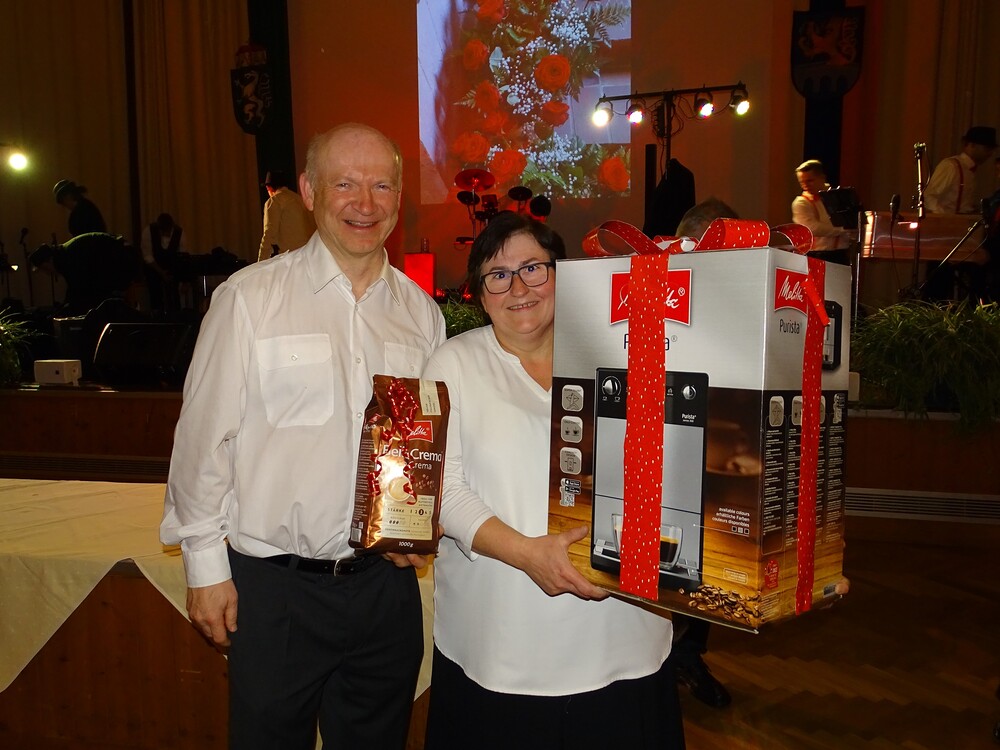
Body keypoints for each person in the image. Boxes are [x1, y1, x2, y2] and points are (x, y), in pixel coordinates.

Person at [160, 123, 446, 750]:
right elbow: (202, 441)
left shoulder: (421, 315)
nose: (365, 203)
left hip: (384, 590)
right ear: (310, 191)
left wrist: (417, 529)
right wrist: (204, 567)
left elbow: (422, 447)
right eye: (345, 184)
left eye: (381, 186)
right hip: (275, 593)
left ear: (399, 198)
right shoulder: (249, 299)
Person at [422, 211, 684, 749]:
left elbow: (679, 465)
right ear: (480, 293)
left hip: (623, 627)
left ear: (561, 274)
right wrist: (527, 554)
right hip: (503, 635)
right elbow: (441, 488)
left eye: (533, 268)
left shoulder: (625, 352)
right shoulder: (452, 364)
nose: (519, 288)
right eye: (498, 275)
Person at [667, 199, 738, 710]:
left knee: (708, 565)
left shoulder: (740, 301)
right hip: (663, 456)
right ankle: (667, 656)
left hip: (719, 456)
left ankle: (687, 654)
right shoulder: (654, 291)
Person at [29, 232, 139, 314]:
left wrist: (61, 312)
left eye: (44, 268)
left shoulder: (69, 259)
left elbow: (78, 292)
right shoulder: (66, 253)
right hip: (122, 259)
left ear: (49, 260)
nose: (47, 273)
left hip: (122, 262)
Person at [925, 126, 998, 214]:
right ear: (972, 145)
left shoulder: (970, 170)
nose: (990, 153)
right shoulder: (951, 166)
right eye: (987, 149)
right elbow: (928, 196)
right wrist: (944, 216)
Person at [791, 160, 854, 264]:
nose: (805, 185)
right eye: (802, 182)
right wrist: (843, 229)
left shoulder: (838, 197)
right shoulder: (801, 203)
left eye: (810, 181)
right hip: (816, 254)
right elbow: (812, 228)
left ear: (822, 178)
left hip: (841, 253)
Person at [256, 169, 316, 261]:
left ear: (269, 188)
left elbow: (269, 235)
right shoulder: (300, 200)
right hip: (310, 255)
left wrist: (260, 262)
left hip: (292, 259)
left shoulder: (274, 201)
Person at [140, 213, 187, 312]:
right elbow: (148, 256)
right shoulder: (148, 232)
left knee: (174, 294)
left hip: (172, 267)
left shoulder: (179, 233)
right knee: (155, 292)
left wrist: (184, 281)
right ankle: (157, 313)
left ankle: (175, 313)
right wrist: (161, 272)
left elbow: (182, 256)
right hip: (154, 268)